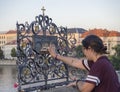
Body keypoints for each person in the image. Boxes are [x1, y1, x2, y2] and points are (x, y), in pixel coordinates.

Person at [48, 35, 120, 92]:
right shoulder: (102, 61)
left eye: (84, 49)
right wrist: (56, 56)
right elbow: (74, 62)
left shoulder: (99, 65)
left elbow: (84, 90)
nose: (84, 52)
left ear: (90, 49)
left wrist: (77, 83)